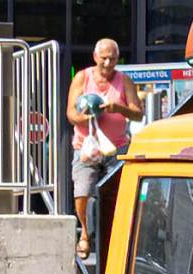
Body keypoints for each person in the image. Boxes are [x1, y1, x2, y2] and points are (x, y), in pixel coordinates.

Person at [67, 38, 144, 257]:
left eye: (112, 58)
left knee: (118, 195)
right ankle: (85, 234)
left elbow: (138, 112)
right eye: (104, 58)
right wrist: (89, 116)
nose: (108, 63)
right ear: (95, 57)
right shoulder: (82, 78)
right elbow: (70, 113)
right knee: (82, 192)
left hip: (116, 149)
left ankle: (114, 238)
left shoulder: (124, 81)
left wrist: (117, 107)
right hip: (86, 147)